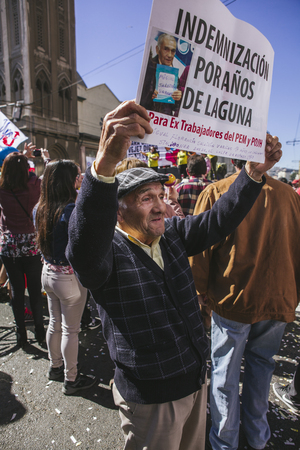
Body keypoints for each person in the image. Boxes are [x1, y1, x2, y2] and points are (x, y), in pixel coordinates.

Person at [65, 100, 282, 449]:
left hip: (195, 383)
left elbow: (218, 220)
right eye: (145, 198)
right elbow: (84, 247)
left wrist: (252, 174)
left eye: (161, 196)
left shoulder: (172, 234)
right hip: (152, 401)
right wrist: (104, 165)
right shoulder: (107, 255)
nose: (160, 205)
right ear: (116, 211)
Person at [190, 158, 300, 450]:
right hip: (277, 296)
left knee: (225, 371)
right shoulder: (288, 194)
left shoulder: (217, 191)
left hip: (232, 298)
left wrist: (199, 291)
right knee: (261, 366)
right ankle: (257, 435)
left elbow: (199, 249)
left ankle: (225, 440)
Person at [35, 160, 96, 395]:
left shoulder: (40, 207)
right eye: (77, 176)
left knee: (54, 322)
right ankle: (71, 379)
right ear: (68, 181)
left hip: (48, 272)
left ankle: (55, 367)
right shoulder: (70, 210)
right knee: (71, 330)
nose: (80, 179)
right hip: (69, 278)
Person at [0, 149, 45, 348]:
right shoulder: (34, 185)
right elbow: (46, 173)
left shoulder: (2, 187)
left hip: (9, 244)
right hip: (30, 244)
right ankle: (40, 330)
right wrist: (38, 158)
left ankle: (21, 334)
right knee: (35, 290)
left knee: (17, 292)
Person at [140, 33, 182, 116]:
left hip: (163, 122)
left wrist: (179, 98)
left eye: (173, 51)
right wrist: (150, 95)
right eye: (166, 49)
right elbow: (140, 100)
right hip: (146, 120)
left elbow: (175, 108)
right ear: (157, 49)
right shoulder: (148, 69)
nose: (169, 55)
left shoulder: (175, 76)